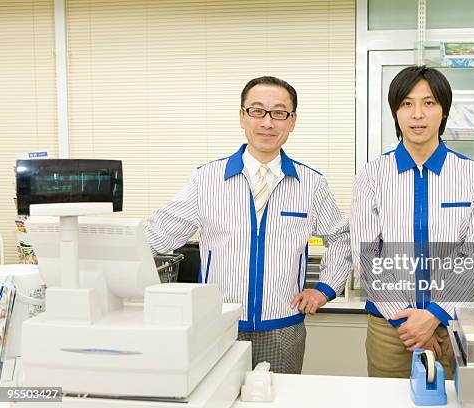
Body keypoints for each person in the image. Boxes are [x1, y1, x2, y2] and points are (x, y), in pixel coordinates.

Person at [144, 76, 351, 374]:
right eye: (257, 111)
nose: (267, 122)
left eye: (279, 113)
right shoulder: (207, 179)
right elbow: (159, 234)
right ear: (242, 116)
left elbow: (341, 237)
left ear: (292, 121)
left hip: (283, 329)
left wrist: (326, 288)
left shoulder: (311, 184)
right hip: (219, 325)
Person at [351, 66, 474, 378]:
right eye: (406, 103)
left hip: (450, 325)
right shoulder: (371, 176)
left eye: (428, 103)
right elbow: (366, 256)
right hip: (389, 330)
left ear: (443, 111)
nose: (417, 114)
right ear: (395, 112)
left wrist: (433, 316)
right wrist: (409, 324)